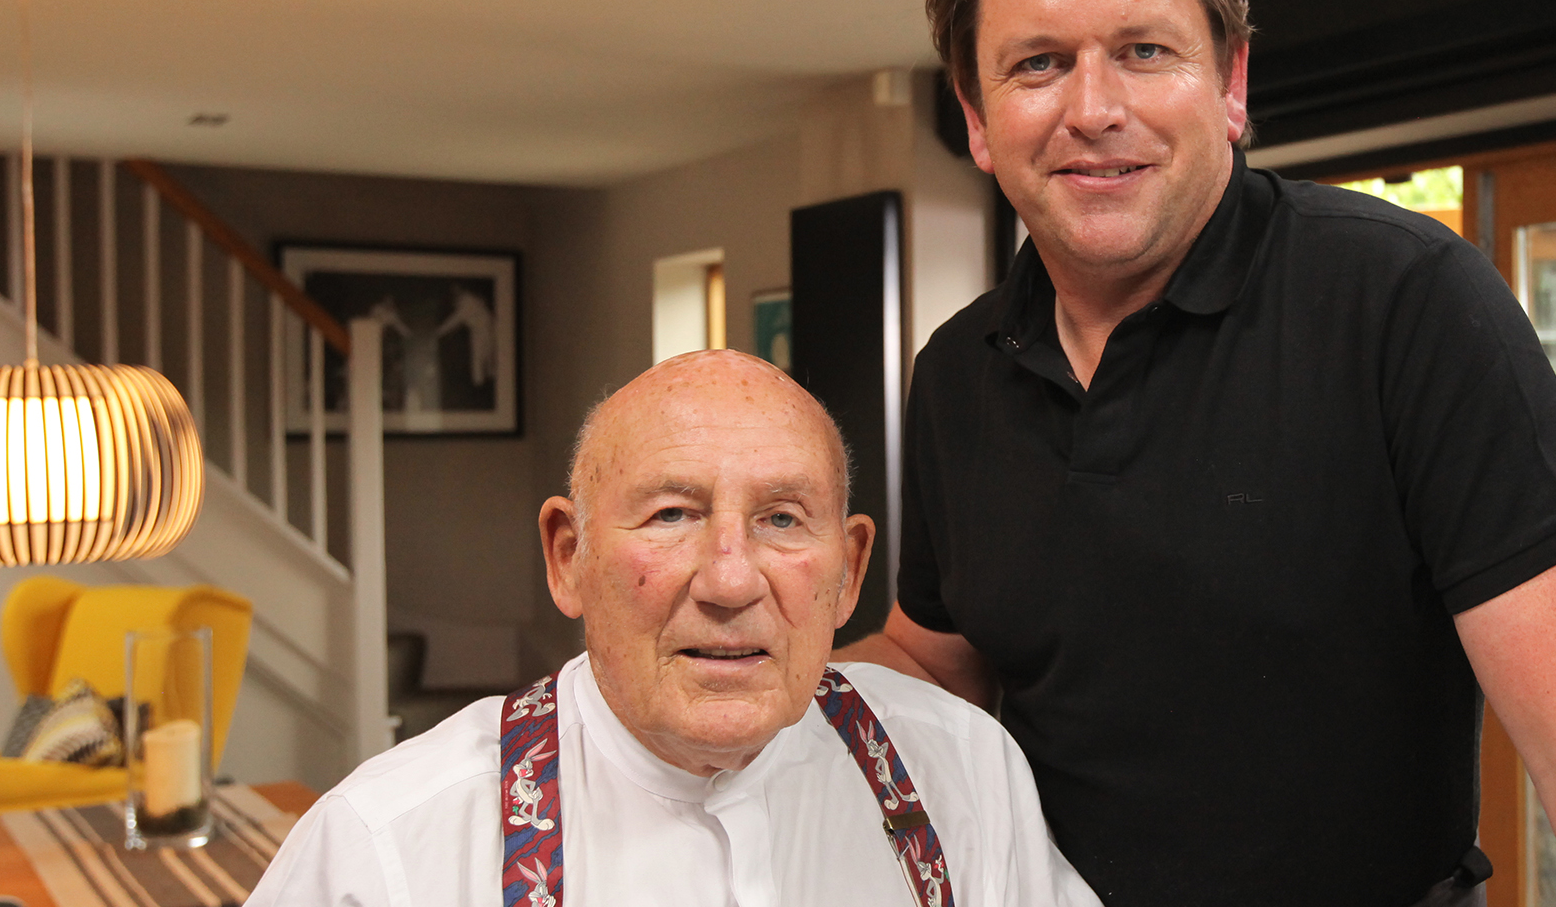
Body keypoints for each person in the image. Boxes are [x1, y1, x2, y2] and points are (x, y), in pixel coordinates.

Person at [843, 0, 1556, 907]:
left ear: (1231, 84)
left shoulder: (1406, 302)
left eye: (1144, 51)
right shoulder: (956, 373)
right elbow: (939, 659)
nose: (1093, 108)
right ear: (978, 120)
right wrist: (768, 674)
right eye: (1038, 64)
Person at [249, 350, 1103, 907]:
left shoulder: (966, 773)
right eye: (671, 515)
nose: (730, 580)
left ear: (848, 572)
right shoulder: (385, 850)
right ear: (568, 557)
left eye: (781, 519)